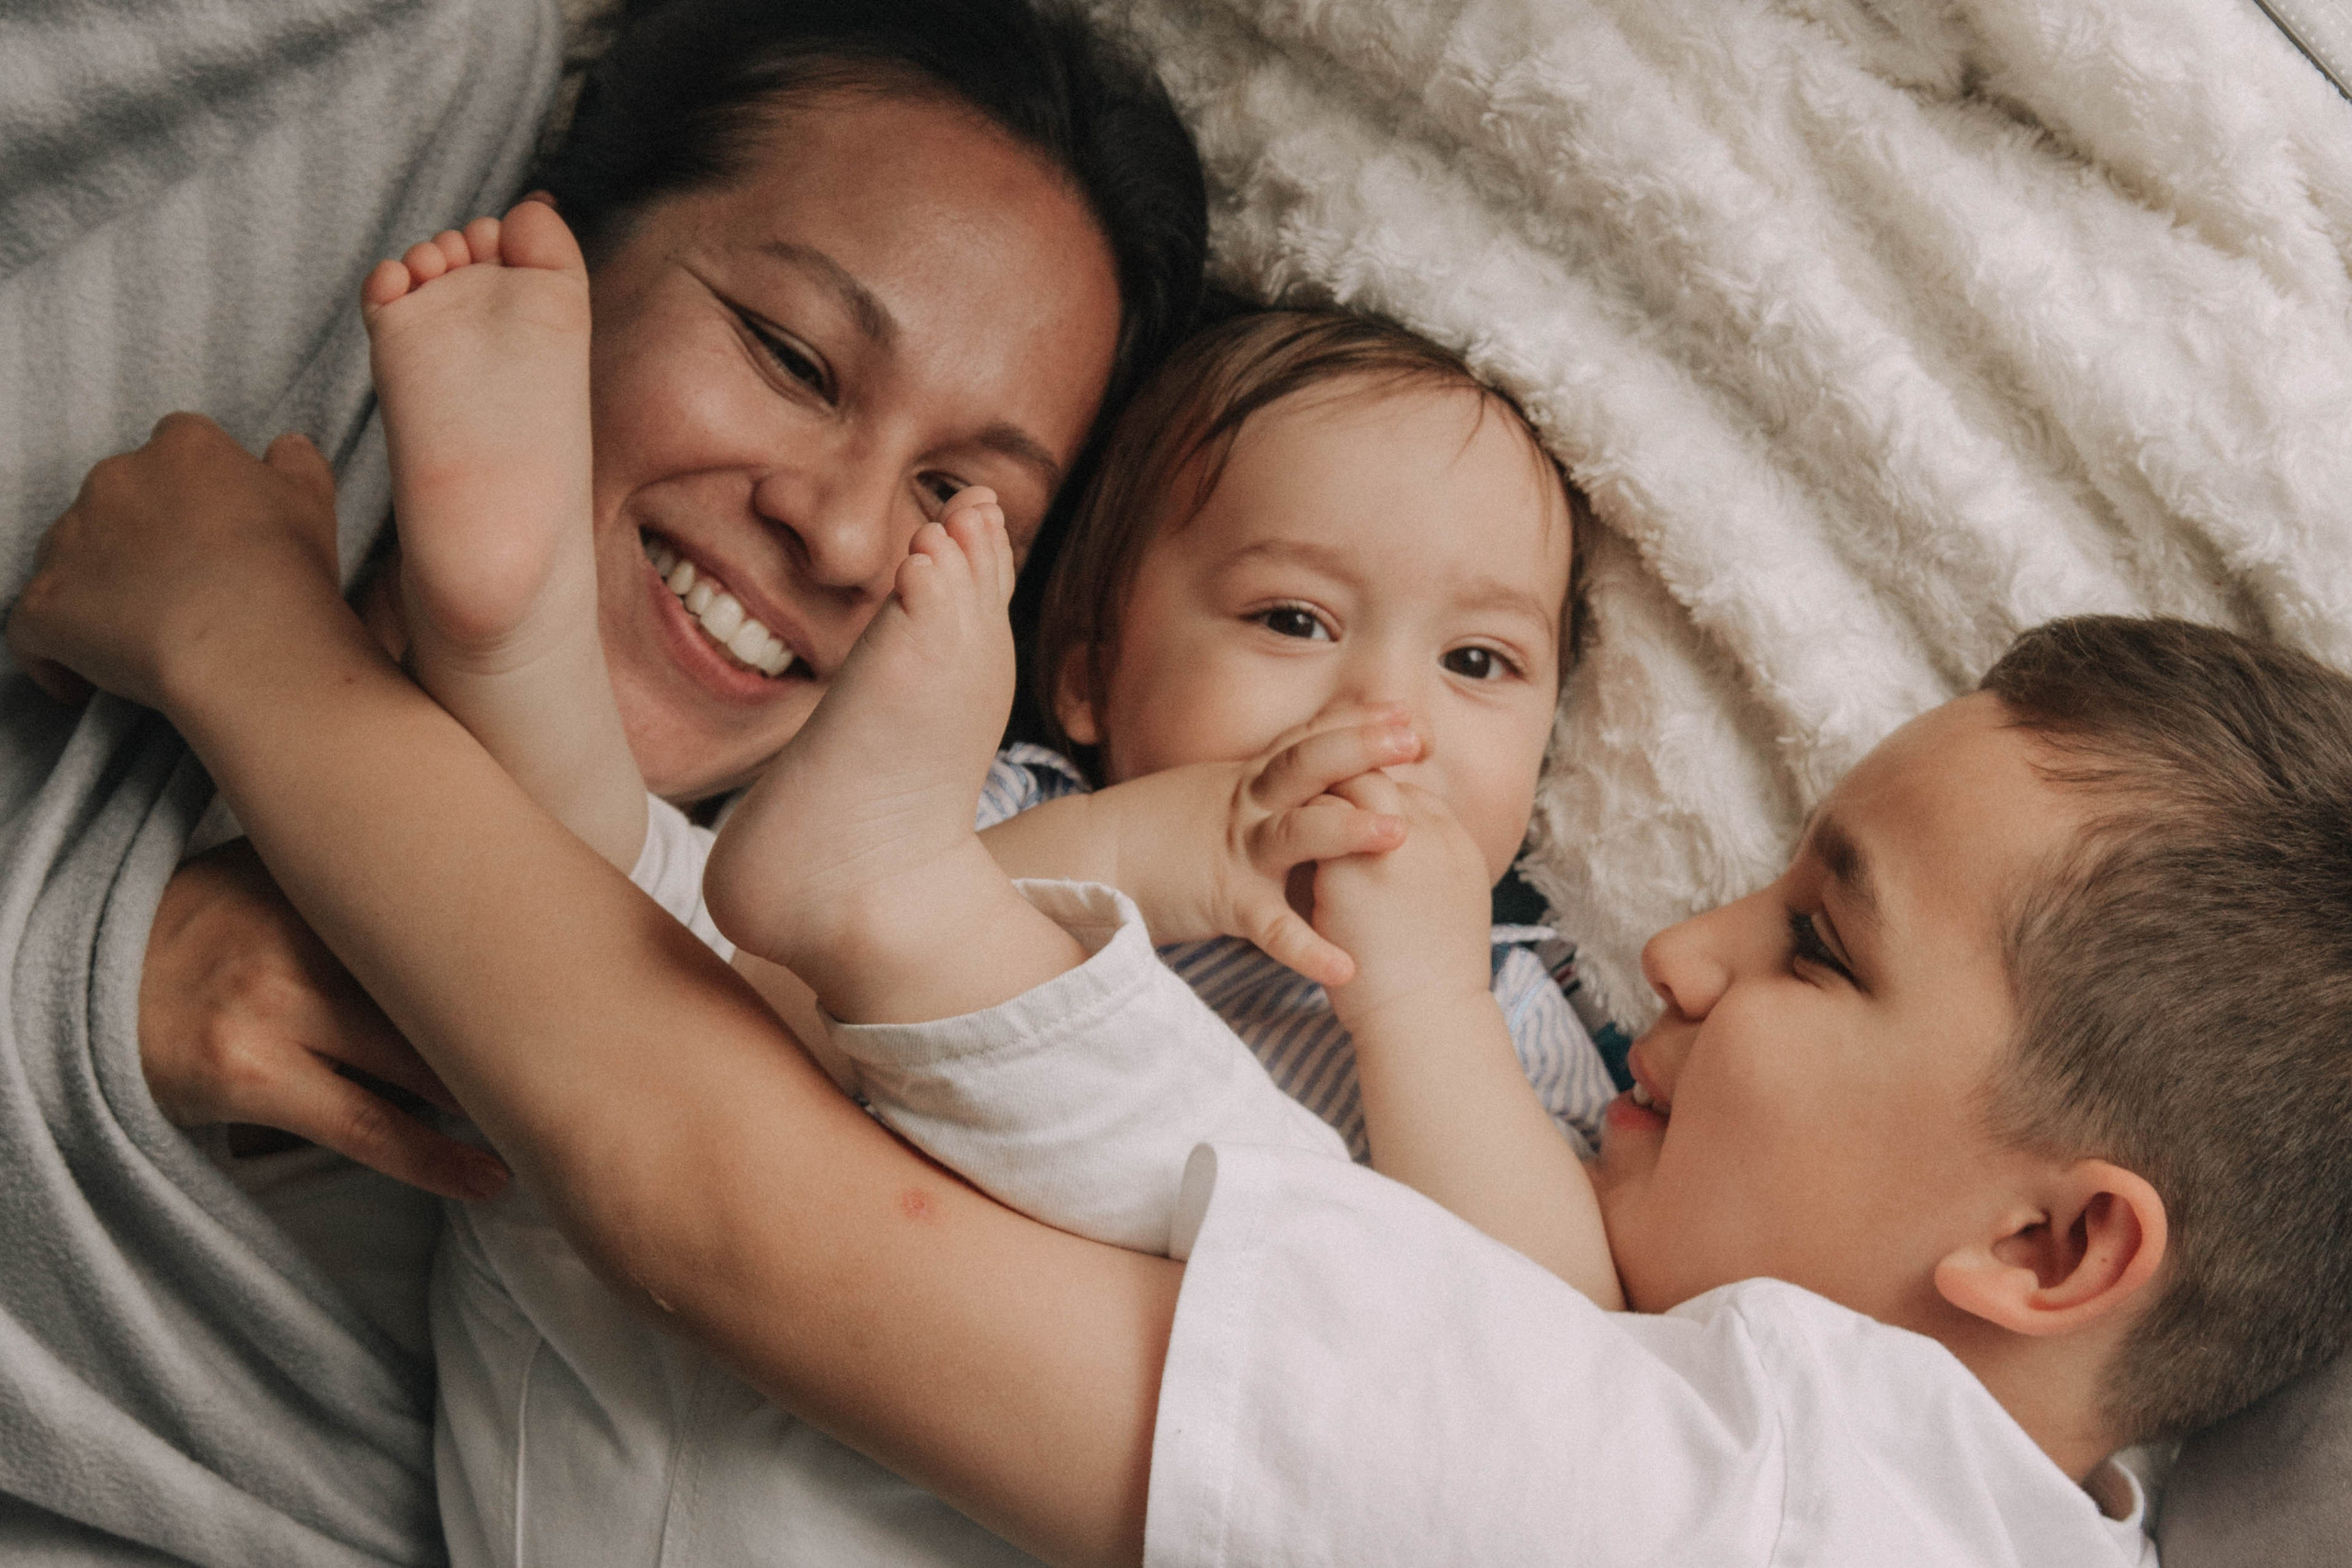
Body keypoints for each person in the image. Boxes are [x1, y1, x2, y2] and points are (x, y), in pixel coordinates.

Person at [26, 283, 2352, 1566]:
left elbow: (717, 1202)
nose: (1682, 949)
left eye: (1821, 947)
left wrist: (247, 643)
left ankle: (746, 809)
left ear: (2054, 1254)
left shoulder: (1755, 1515)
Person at [0, 0, 1205, 1560]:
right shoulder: (365, 139)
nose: (842, 538)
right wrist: (94, 988)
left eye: (961, 500)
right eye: (791, 357)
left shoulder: (795, 999)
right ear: (554, 242)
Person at [359, 200, 1619, 1559]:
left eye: (1478, 663)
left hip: (955, 1486)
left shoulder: (1510, 1014)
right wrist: (1164, 845)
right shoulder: (983, 792)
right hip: (637, 1370)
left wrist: (1423, 996)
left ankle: (511, 647)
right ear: (1084, 663)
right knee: (621, 941)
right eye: (1291, 620)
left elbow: (1552, 1380)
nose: (1386, 713)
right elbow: (759, 977)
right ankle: (508, 624)